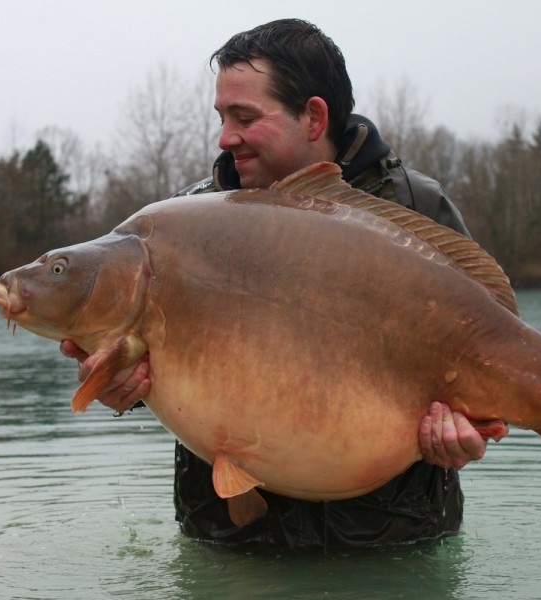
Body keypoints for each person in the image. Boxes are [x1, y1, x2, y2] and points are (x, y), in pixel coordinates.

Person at [61, 18, 508, 549]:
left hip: (394, 544)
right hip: (233, 544)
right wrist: (120, 386)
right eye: (222, 116)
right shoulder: (189, 220)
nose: (225, 137)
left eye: (244, 117)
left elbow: (491, 362)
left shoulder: (414, 209)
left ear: (313, 116)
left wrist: (467, 433)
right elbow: (167, 367)